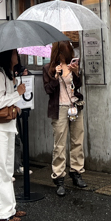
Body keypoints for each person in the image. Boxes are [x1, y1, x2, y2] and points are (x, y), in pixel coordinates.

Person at [0, 49, 27, 221]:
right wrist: (17, 92)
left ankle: (9, 207)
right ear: (7, 56)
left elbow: (5, 101)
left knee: (7, 169)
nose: (17, 56)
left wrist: (15, 103)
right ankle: (1, 213)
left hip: (6, 128)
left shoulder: (7, 75)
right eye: (15, 53)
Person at [43, 40, 86, 197]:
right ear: (58, 53)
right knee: (59, 144)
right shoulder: (48, 68)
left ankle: (76, 172)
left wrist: (75, 73)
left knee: (77, 141)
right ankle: (59, 178)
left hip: (75, 106)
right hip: (59, 108)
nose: (68, 56)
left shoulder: (72, 65)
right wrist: (55, 76)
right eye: (65, 54)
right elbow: (48, 90)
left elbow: (79, 85)